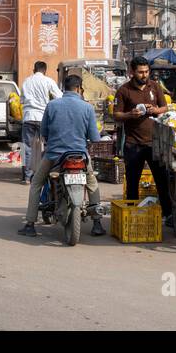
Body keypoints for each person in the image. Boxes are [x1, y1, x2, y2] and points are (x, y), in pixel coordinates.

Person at [18, 73, 105, 238]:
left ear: (63, 88)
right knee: (92, 183)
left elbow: (44, 132)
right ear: (79, 89)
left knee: (36, 183)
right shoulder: (87, 108)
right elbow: (94, 138)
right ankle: (97, 222)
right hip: (80, 156)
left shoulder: (52, 105)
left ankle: (30, 224)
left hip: (54, 156)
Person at [112, 56, 173, 224]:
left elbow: (165, 107)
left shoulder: (155, 86)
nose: (144, 75)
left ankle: (168, 214)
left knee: (162, 180)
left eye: (146, 71)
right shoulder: (124, 90)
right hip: (133, 144)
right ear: (132, 72)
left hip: (155, 143)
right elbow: (116, 114)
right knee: (132, 182)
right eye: (140, 72)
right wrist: (130, 114)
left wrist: (155, 110)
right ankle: (132, 215)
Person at [19, 61, 60, 183]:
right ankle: (45, 174)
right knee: (47, 145)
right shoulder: (48, 81)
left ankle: (27, 177)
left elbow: (21, 100)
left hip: (29, 117)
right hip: (43, 118)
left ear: (34, 69)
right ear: (45, 70)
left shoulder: (26, 81)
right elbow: (59, 97)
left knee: (28, 148)